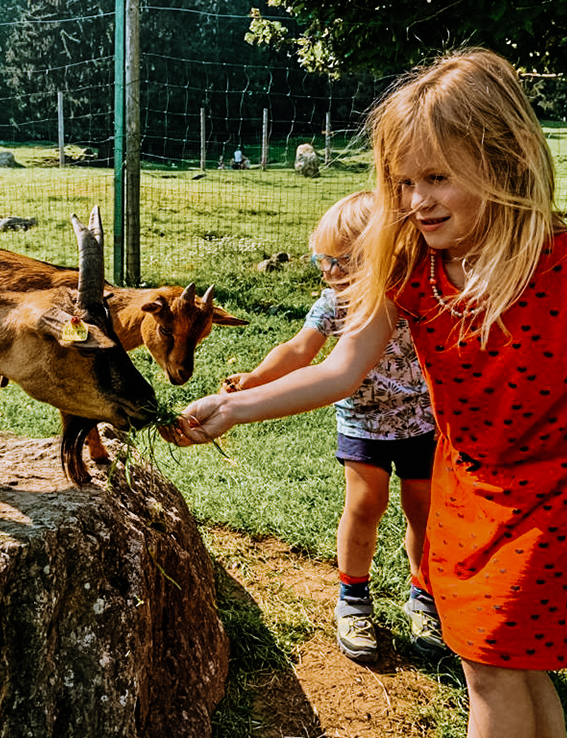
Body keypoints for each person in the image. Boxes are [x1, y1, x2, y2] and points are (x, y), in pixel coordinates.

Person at [166, 48, 567, 738]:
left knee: (490, 668)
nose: (415, 201)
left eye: (437, 178)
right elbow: (341, 366)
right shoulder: (415, 269)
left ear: (504, 159)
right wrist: (235, 405)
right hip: (465, 491)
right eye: (403, 183)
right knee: (516, 667)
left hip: (561, 494)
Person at [222, 190, 444, 662]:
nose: (329, 273)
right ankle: (353, 600)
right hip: (362, 420)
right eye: (322, 261)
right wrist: (256, 379)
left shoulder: (416, 294)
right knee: (366, 503)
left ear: (384, 255)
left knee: (423, 509)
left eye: (341, 261)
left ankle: (426, 598)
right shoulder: (333, 303)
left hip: (423, 421)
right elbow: (300, 349)